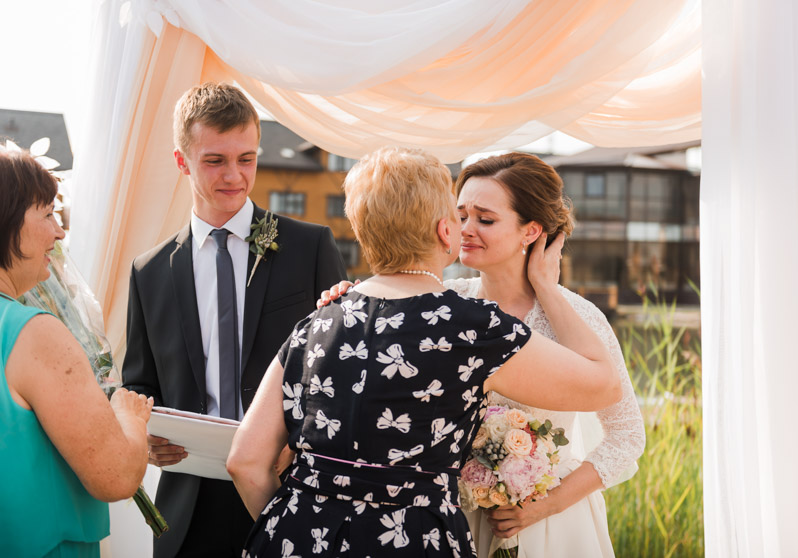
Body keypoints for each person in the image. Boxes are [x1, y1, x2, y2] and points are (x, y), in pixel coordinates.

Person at [227, 146, 622, 557]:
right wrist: (549, 285)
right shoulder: (471, 327)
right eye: (458, 214)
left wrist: (294, 530)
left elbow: (245, 461)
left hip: (295, 536)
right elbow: (604, 386)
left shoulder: (317, 322)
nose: (466, 227)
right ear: (443, 231)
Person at [121, 82, 347, 558]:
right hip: (187, 511)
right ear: (182, 160)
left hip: (286, 496)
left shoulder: (310, 247)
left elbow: (339, 375)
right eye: (215, 160)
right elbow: (140, 387)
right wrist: (149, 441)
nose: (234, 176)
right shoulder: (149, 271)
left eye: (246, 158)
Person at [450, 152, 645, 558]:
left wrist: (545, 506)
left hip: (554, 524)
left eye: (484, 219)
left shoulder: (580, 318)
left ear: (530, 231)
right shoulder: (445, 306)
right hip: (457, 518)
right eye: (461, 215)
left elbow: (627, 435)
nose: (465, 229)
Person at [0, 148, 152, 557]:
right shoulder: (33, 333)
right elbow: (116, 475)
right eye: (47, 214)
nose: (59, 232)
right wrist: (129, 416)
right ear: (8, 220)